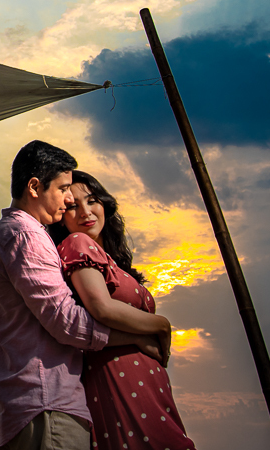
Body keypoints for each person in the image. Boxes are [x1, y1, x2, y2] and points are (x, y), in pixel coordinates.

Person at [0, 141, 164, 450]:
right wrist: (141, 334)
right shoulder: (25, 235)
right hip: (47, 404)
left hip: (44, 405)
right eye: (64, 188)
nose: (70, 199)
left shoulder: (21, 233)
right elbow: (66, 321)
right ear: (34, 186)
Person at [47, 171, 195, 450]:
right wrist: (162, 325)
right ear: (61, 217)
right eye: (72, 206)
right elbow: (101, 308)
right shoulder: (77, 244)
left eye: (92, 201)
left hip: (147, 381)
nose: (85, 212)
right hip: (117, 375)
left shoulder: (111, 260)